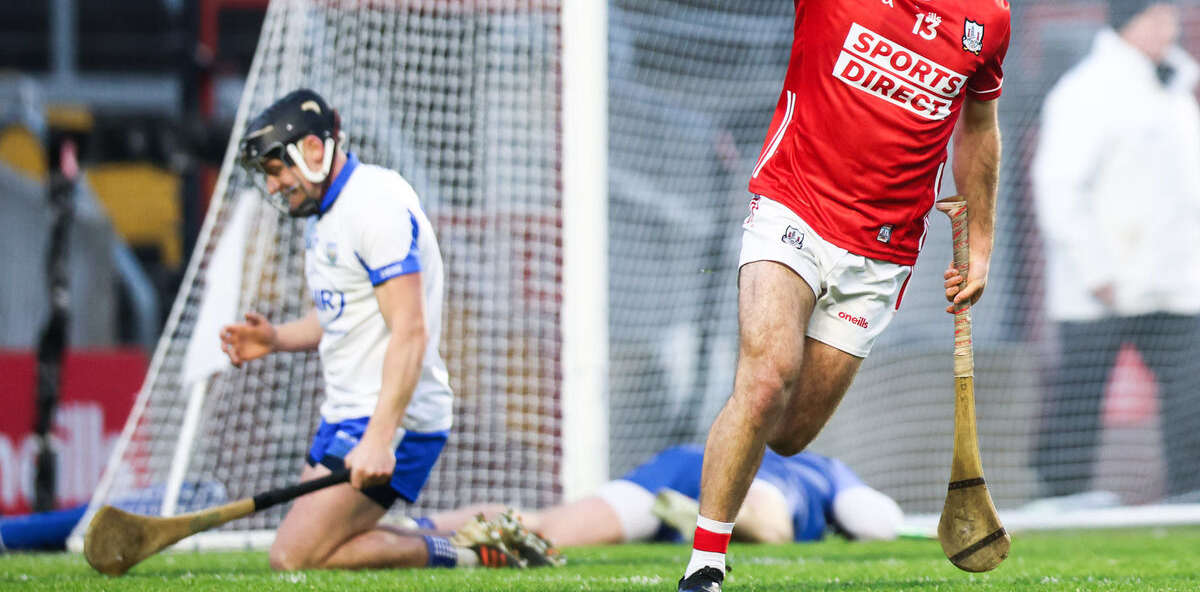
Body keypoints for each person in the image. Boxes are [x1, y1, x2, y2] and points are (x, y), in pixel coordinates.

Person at [677, 0, 1011, 591]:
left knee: (787, 432)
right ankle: (705, 565)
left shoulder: (987, 18)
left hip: (883, 250)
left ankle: (768, 481)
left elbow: (978, 130)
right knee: (763, 380)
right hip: (791, 208)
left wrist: (985, 244)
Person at [219, 89, 555, 571]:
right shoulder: (325, 216)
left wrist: (379, 436)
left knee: (294, 556)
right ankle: (486, 523)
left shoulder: (374, 207)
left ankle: (471, 554)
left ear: (313, 150)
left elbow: (410, 330)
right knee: (324, 545)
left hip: (396, 419)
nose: (273, 187)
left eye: (277, 170)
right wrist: (277, 339)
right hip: (347, 412)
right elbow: (346, 316)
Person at [1031, 0, 1200, 501]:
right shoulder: (1086, 91)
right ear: (1126, 22)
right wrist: (1095, 269)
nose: (1165, 29)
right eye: (1153, 17)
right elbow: (1058, 186)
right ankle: (1061, 498)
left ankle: (1189, 493)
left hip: (1172, 283)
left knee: (1191, 389)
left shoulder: (1177, 87)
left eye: (1170, 17)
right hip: (1099, 287)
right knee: (1080, 396)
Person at [417, 445, 903, 548]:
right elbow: (879, 522)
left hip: (686, 466)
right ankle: (706, 518)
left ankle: (415, 528)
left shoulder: (823, 468)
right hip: (742, 483)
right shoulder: (828, 474)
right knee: (774, 528)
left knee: (545, 528)